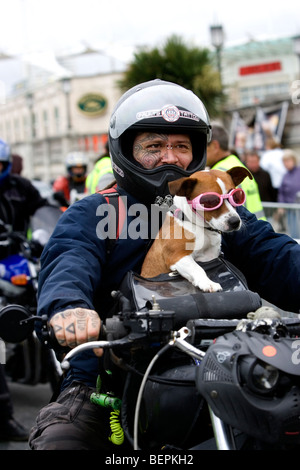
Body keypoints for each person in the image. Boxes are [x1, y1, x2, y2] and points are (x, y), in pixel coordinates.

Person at [29, 80, 300, 451]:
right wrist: (69, 307)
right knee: (64, 440)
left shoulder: (220, 211)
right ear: (126, 151)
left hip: (220, 365)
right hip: (112, 371)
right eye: (154, 146)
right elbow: (68, 259)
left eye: (181, 146)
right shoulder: (94, 211)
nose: (170, 157)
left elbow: (274, 253)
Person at [0, 138, 48, 441]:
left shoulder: (20, 186)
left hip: (17, 257)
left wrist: (46, 230)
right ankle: (3, 416)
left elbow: (43, 210)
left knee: (40, 294)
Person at [206, 123, 265, 219]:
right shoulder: (235, 163)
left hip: (244, 230)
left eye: (202, 147)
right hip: (257, 228)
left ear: (214, 146)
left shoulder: (219, 174)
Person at [277, 149, 300, 239]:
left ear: (293, 160)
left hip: (298, 207)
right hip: (290, 209)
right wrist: (281, 205)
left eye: (288, 161)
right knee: (294, 232)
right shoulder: (285, 175)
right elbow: (281, 192)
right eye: (284, 161)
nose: (286, 163)